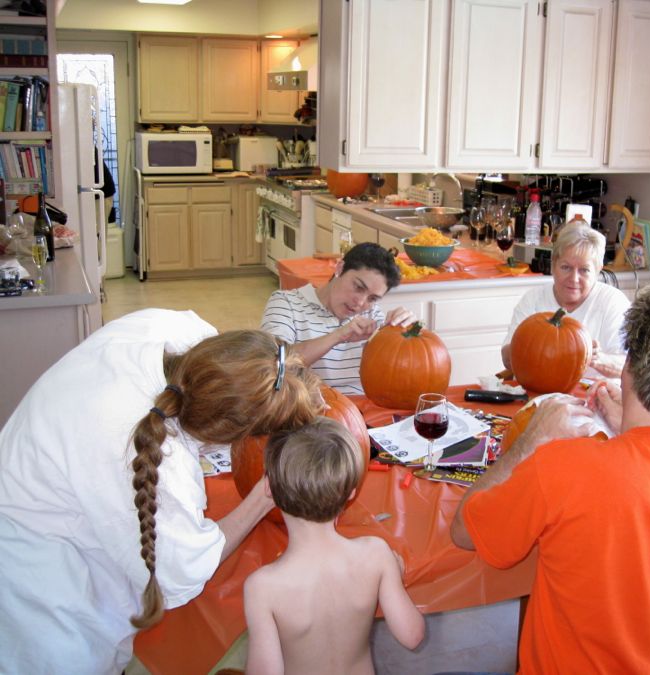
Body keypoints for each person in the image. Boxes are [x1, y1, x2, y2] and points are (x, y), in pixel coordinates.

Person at [452, 276, 650, 673]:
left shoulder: (562, 467)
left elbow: (463, 531)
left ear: (628, 366)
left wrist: (529, 442)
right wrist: (632, 428)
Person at [0, 308, 322, 674]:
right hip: (38, 583)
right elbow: (181, 569)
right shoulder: (153, 457)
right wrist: (262, 498)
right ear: (226, 434)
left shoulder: (172, 329)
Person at [244, 418, 424, 674]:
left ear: (268, 489)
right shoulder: (376, 553)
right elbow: (412, 635)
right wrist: (394, 573)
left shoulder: (262, 587)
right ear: (351, 492)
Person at [261, 242, 414, 395]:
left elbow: (400, 371)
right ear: (340, 268)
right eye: (358, 287)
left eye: (372, 298)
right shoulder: (286, 303)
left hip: (366, 410)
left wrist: (408, 333)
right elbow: (273, 366)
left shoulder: (371, 314)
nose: (360, 303)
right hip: (311, 411)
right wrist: (339, 335)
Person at [500, 221, 630, 378]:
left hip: (593, 398)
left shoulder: (613, 303)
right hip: (538, 393)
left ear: (597, 271)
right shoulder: (533, 300)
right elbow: (507, 359)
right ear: (553, 266)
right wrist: (530, 346)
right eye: (566, 267)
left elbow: (630, 368)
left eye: (584, 270)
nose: (574, 278)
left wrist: (597, 358)